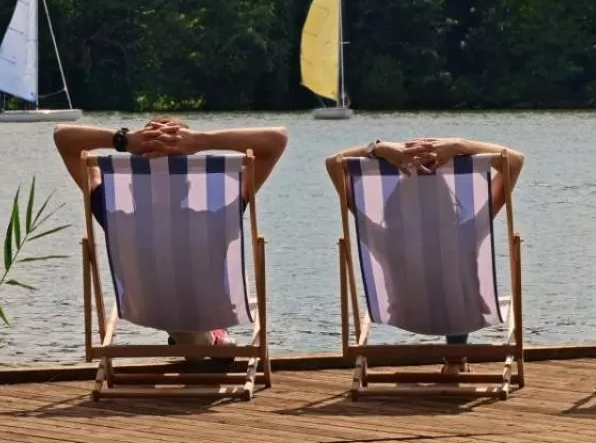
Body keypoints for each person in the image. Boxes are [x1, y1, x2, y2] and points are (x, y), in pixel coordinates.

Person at [53, 117, 289, 353]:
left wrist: (124, 140)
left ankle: (201, 338)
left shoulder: (114, 213)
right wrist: (201, 141)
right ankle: (213, 336)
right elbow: (277, 139)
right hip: (212, 308)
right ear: (188, 183)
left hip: (149, 311)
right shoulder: (220, 211)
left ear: (133, 182)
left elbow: (62, 136)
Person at [326, 137, 525, 376]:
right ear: (446, 200)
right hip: (462, 317)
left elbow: (332, 164)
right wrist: (460, 145)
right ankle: (455, 360)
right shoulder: (468, 231)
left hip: (405, 315)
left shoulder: (380, 238)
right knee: (456, 293)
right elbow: (514, 161)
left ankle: (454, 359)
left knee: (445, 286)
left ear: (394, 203)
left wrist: (377, 149)